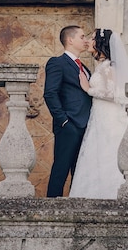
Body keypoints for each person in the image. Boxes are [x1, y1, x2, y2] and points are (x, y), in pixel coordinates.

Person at [69, 28, 128, 199]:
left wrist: (88, 89)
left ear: (101, 44)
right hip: (100, 116)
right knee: (99, 153)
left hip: (108, 117)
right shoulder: (103, 66)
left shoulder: (108, 67)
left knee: (109, 152)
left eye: (93, 38)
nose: (89, 41)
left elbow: (114, 95)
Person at [43, 25, 93, 197]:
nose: (85, 40)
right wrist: (63, 120)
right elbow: (50, 93)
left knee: (80, 173)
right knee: (61, 169)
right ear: (70, 40)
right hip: (69, 125)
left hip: (86, 126)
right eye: (82, 36)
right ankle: (50, 209)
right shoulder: (57, 63)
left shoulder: (85, 68)